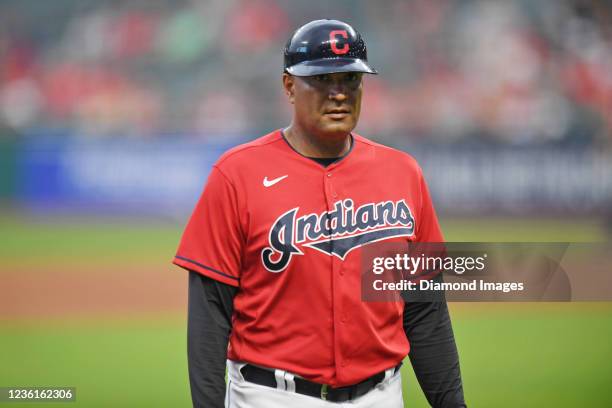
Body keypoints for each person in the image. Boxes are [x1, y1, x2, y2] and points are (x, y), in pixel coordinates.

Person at [173, 19, 466, 408]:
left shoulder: (403, 173)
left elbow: (425, 311)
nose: (339, 94)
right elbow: (210, 314)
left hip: (381, 395)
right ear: (289, 86)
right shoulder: (237, 174)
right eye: (323, 80)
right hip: (270, 396)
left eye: (350, 81)